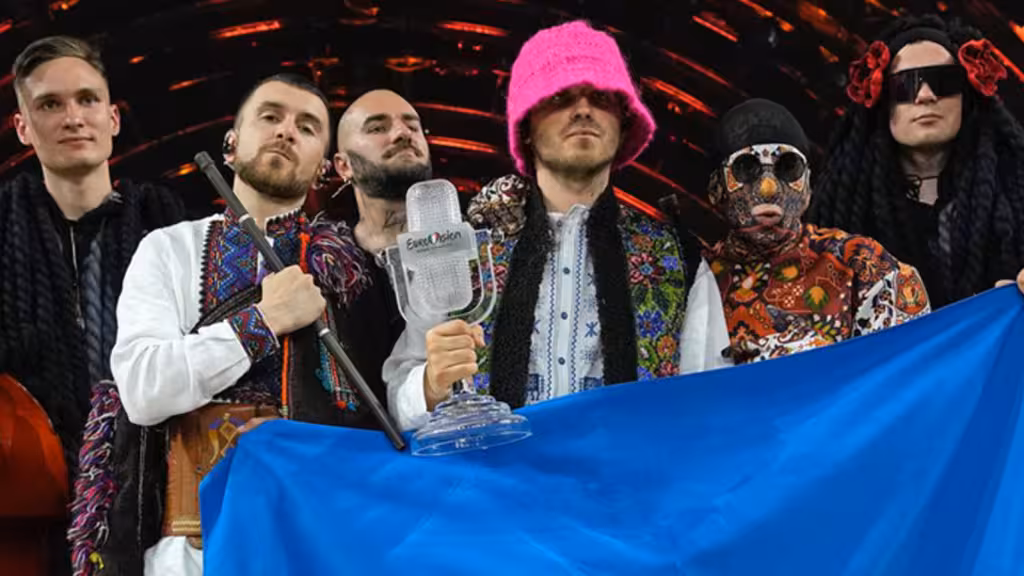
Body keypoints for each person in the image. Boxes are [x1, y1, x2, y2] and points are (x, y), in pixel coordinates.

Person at [74, 74, 375, 576]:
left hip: (313, 537)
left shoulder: (347, 270)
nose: (286, 131)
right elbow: (143, 389)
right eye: (270, 116)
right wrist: (263, 321)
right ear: (231, 145)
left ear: (324, 168)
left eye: (307, 127)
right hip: (189, 550)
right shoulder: (167, 248)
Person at [383, 20, 729, 431]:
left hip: (631, 472)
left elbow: (709, 406)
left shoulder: (678, 259)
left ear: (624, 124)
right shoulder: (459, 249)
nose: (582, 110)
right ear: (527, 125)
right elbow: (399, 397)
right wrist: (429, 384)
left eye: (601, 96)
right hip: (493, 472)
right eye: (560, 96)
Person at [0, 35, 184, 576]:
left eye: (87, 100)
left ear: (113, 117)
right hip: (26, 509)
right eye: (50, 105)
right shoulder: (4, 227)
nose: (73, 117)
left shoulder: (165, 223)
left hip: (150, 500)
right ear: (23, 127)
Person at [807, 15, 1024, 308]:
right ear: (881, 101)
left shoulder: (1014, 195)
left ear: (967, 95)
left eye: (943, 81)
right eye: (904, 86)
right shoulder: (842, 213)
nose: (925, 95)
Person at [704, 98, 930, 364]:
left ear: (808, 187)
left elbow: (913, 363)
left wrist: (814, 359)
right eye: (746, 169)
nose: (768, 188)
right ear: (716, 188)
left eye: (788, 168)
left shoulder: (859, 262)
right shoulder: (695, 277)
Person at [320, 89, 434, 405]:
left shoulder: (470, 249)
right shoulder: (318, 266)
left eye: (413, 126)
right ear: (343, 166)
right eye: (377, 128)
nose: (402, 134)